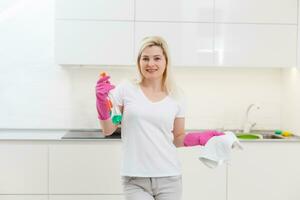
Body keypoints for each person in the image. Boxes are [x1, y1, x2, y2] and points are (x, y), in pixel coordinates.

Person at [95, 36, 224, 200]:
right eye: (145, 58)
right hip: (134, 178)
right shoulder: (126, 89)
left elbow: (177, 138)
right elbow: (109, 128)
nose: (150, 64)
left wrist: (200, 138)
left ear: (166, 62)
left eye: (157, 58)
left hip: (169, 177)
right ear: (139, 62)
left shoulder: (177, 96)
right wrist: (101, 102)